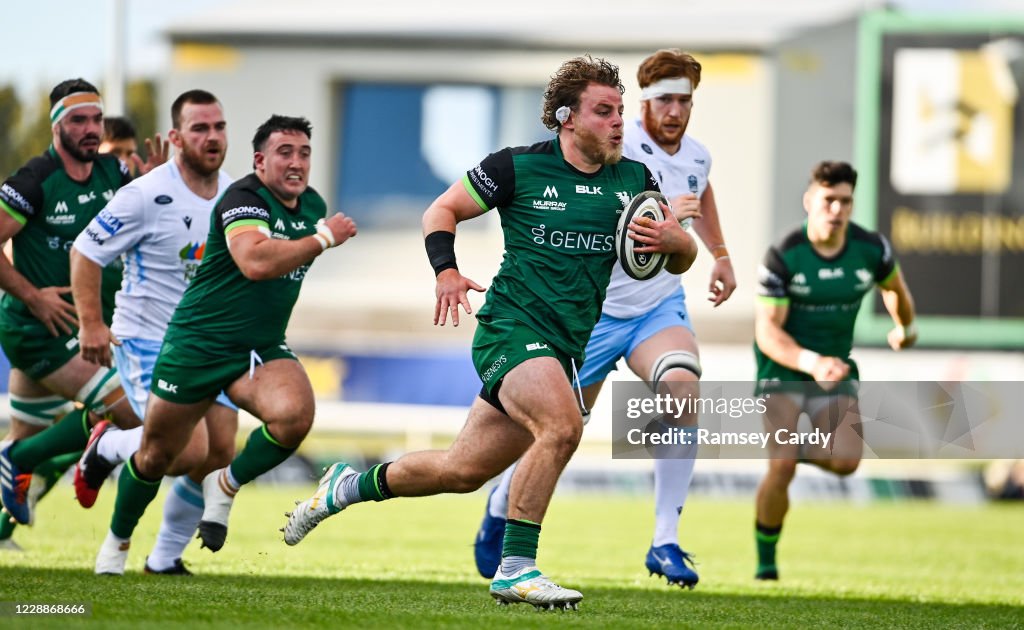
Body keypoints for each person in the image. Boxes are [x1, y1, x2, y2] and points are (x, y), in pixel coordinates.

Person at [282, 55, 697, 610]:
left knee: (462, 470)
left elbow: (674, 260)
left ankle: (347, 486)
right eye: (605, 112)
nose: (619, 122)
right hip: (510, 328)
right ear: (568, 118)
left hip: (565, 347)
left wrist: (681, 244)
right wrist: (446, 271)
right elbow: (442, 210)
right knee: (563, 425)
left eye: (621, 111)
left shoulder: (635, 181)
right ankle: (517, 568)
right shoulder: (517, 167)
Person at [472, 49, 735, 590]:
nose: (675, 110)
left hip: (656, 306)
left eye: (685, 100)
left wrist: (720, 254)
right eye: (665, 99)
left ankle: (665, 539)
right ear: (643, 103)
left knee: (683, 388)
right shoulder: (613, 143)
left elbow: (699, 198)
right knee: (562, 428)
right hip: (591, 313)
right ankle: (502, 501)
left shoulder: (698, 155)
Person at [99, 114, 357, 574]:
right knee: (161, 455)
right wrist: (322, 238)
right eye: (284, 152)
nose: (296, 162)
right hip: (197, 345)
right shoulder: (243, 197)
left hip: (257, 349)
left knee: (294, 417)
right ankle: (116, 544)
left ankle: (220, 492)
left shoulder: (312, 203)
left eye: (304, 153)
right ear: (259, 161)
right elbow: (254, 261)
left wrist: (317, 235)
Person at [69, 89, 237, 575]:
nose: (211, 137)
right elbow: (84, 253)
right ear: (175, 137)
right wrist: (91, 324)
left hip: (207, 343)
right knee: (187, 450)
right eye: (199, 128)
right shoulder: (145, 193)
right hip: (148, 340)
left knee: (221, 452)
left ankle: (164, 557)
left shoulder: (236, 196)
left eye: (219, 127)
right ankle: (107, 450)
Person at [0, 78, 164, 529]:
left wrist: (157, 185)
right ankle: (19, 455)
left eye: (96, 118)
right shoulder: (34, 181)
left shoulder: (117, 173)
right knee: (133, 408)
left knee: (30, 470)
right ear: (56, 128)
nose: (91, 128)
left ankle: (11, 488)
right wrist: (32, 297)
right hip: (39, 330)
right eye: (78, 120)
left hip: (80, 327)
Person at [752, 160, 917, 580]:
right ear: (810, 200)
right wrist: (811, 362)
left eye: (845, 201)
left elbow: (895, 289)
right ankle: (766, 564)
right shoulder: (783, 255)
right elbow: (768, 333)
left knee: (845, 462)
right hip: (784, 370)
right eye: (829, 200)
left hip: (837, 370)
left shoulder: (870, 248)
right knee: (781, 467)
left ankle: (791, 451)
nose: (837, 209)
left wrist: (905, 328)